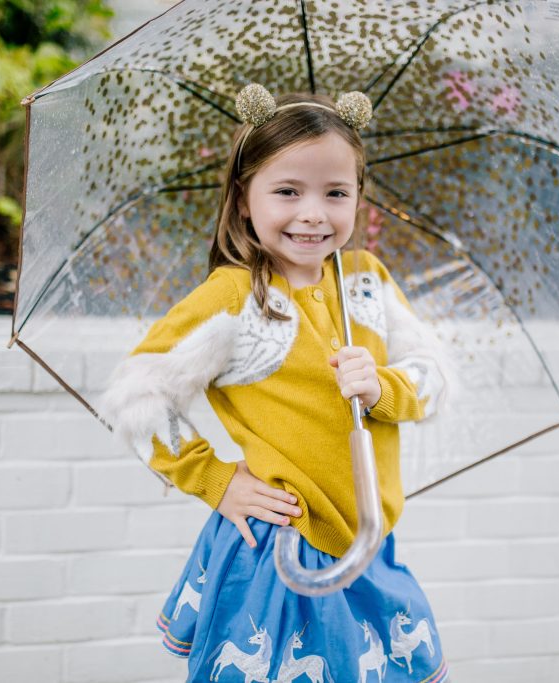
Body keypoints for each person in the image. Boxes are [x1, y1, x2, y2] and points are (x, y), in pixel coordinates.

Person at [101, 83, 453, 683]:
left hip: (366, 541)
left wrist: (384, 388)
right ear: (244, 200)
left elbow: (435, 376)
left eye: (335, 193)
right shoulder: (236, 298)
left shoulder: (366, 281)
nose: (313, 213)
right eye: (287, 191)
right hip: (280, 551)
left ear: (358, 200)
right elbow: (136, 394)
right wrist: (215, 479)